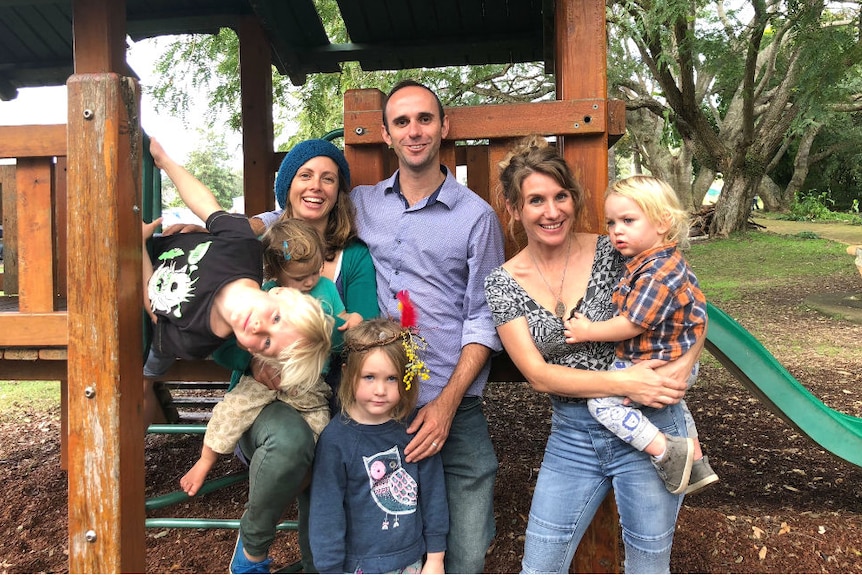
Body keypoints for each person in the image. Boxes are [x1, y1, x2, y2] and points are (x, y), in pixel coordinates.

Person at [484, 136, 703, 573]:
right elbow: (539, 375)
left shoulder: (615, 249)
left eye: (560, 196)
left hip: (651, 426)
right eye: (536, 200)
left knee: (647, 564)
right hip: (572, 437)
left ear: (573, 198)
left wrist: (682, 367)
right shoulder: (501, 283)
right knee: (540, 565)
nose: (552, 211)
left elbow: (692, 303)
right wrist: (622, 382)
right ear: (514, 209)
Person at [148, 137, 359, 574]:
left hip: (322, 388)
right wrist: (257, 360)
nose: (316, 186)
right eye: (304, 175)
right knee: (293, 444)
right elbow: (223, 331)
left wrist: (342, 331)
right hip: (261, 393)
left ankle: (319, 562)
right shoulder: (255, 248)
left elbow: (359, 334)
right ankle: (257, 549)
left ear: (340, 192)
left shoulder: (354, 257)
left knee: (330, 451)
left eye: (328, 178)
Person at [350, 79, 505, 574]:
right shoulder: (363, 204)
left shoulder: (476, 217)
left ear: (443, 127)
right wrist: (230, 225)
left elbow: (485, 317)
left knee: (463, 554)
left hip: (450, 400)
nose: (414, 131)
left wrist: (445, 404)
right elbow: (298, 217)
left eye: (424, 119)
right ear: (386, 134)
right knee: (383, 540)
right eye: (402, 122)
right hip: (377, 396)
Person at [142, 137, 331, 432]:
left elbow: (154, 305)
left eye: (266, 343)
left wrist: (138, 250)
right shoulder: (243, 246)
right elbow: (207, 205)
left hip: (137, 273)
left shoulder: (197, 338)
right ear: (279, 291)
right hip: (153, 244)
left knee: (146, 371)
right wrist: (165, 161)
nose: (258, 327)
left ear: (256, 355)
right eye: (276, 317)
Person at [563, 175, 718, 496]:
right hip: (673, 357)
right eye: (611, 222)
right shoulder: (658, 261)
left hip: (656, 361)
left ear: (662, 223)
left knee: (603, 405)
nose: (617, 230)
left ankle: (667, 451)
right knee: (678, 405)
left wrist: (588, 330)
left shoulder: (655, 274)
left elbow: (632, 323)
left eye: (628, 220)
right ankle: (697, 459)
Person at [309, 315, 448, 574]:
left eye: (391, 378)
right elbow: (326, 514)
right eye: (369, 377)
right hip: (359, 566)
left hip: (412, 562)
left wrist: (436, 558)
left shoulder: (414, 430)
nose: (380, 390)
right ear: (348, 375)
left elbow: (434, 496)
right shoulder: (336, 440)